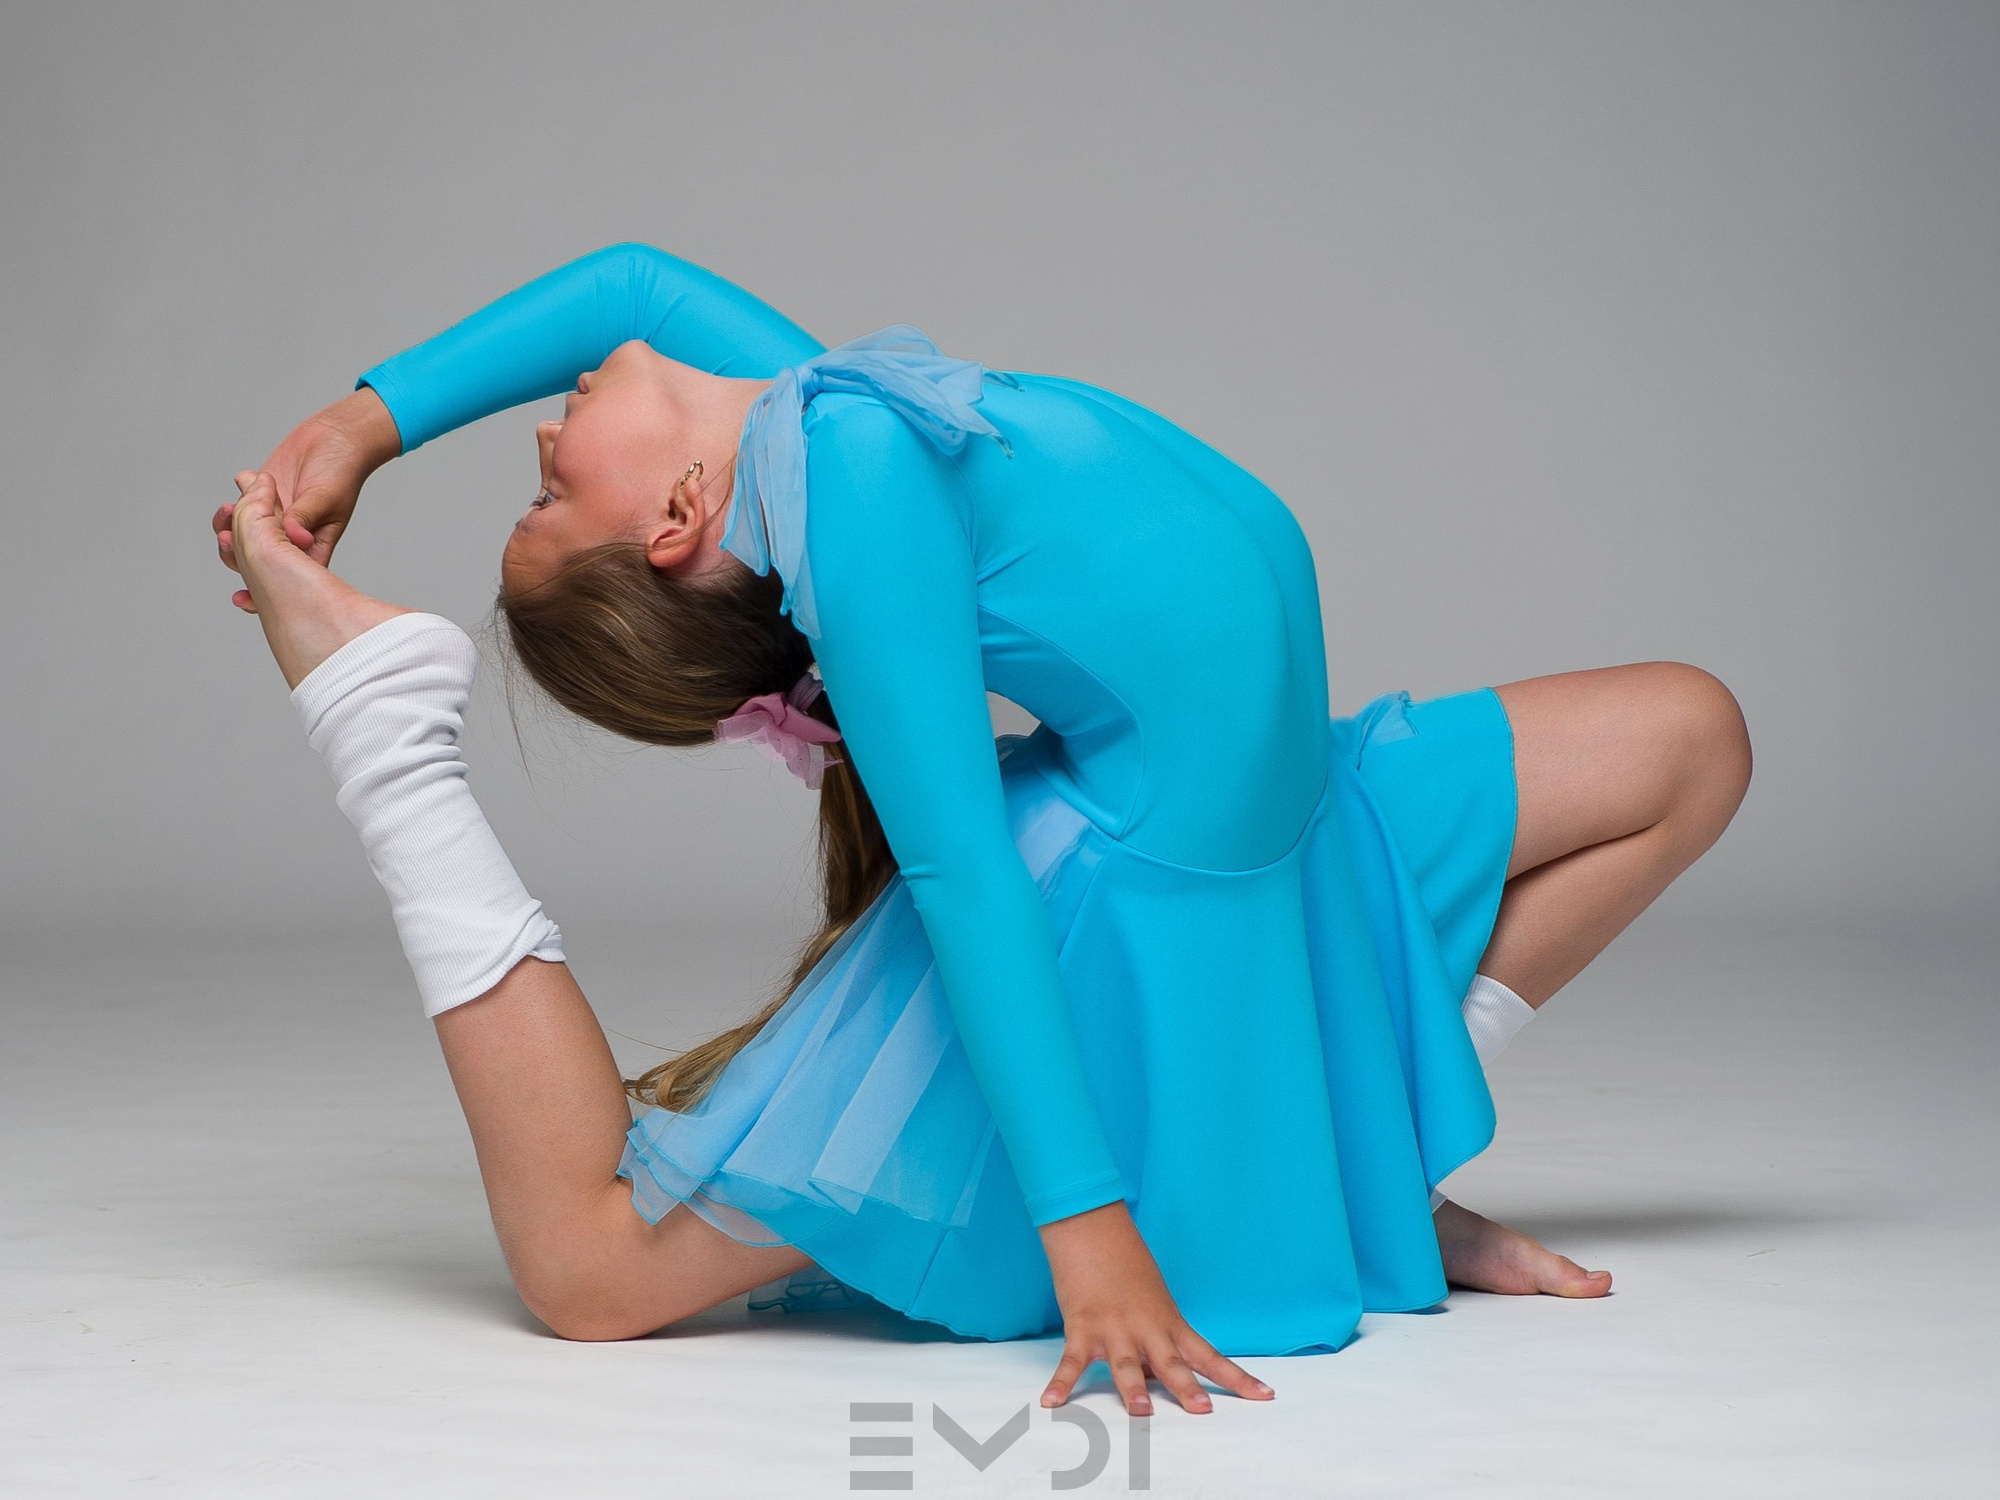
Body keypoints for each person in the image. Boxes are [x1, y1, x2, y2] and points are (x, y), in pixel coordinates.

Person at [213, 243, 1751, 1418]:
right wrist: (1087, 1230)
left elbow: (628, 282)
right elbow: (961, 876)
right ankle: (381, 721)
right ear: (673, 522)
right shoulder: (852, 480)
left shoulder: (813, 419)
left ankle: (1358, 1161)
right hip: (1121, 904)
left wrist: (365, 422)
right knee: (593, 1268)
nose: (540, 450)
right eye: (547, 509)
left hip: (1298, 832)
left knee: (1690, 740)